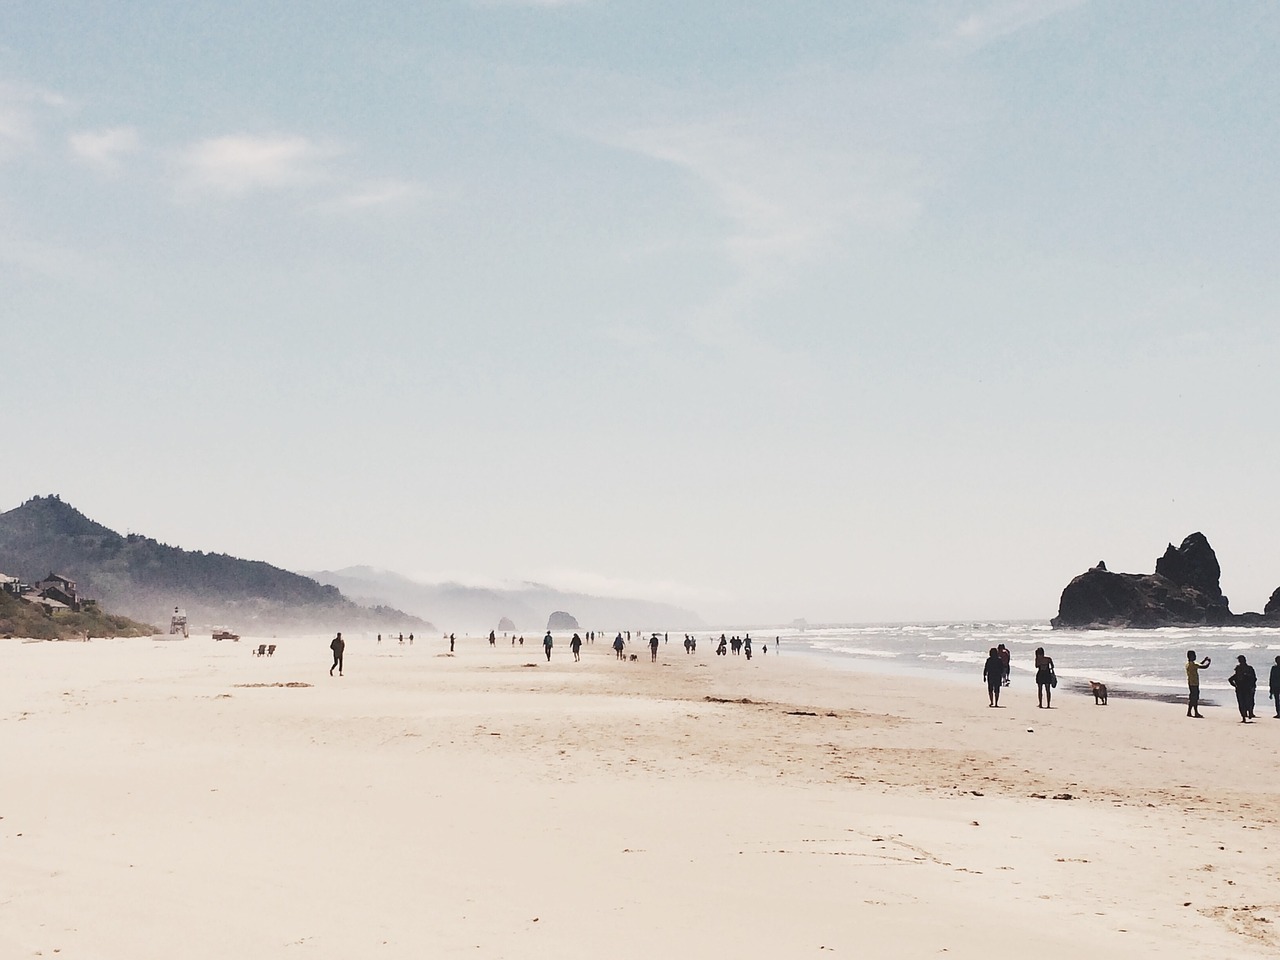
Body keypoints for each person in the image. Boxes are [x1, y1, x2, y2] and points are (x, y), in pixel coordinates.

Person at [1228, 654, 1258, 723]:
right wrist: (1235, 685)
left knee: (1246, 702)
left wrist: (1235, 685)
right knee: (1244, 703)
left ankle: (1248, 714)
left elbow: (1254, 678)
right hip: (1243, 688)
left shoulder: (1248, 668)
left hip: (1245, 688)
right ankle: (1245, 716)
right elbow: (1254, 678)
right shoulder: (1242, 668)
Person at [1186, 650, 1211, 718]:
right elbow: (1204, 667)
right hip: (1194, 683)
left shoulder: (1189, 664)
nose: (1195, 656)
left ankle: (1189, 712)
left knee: (1192, 698)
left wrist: (1204, 660)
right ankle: (1196, 712)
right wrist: (1209, 662)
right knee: (1195, 698)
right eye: (1194, 655)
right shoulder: (1193, 664)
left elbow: (1199, 665)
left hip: (1191, 683)